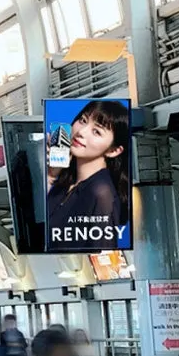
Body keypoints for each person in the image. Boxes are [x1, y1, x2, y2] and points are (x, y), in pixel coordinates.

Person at [45, 100, 132, 252]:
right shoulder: (66, 182)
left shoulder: (101, 192)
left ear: (113, 151)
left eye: (96, 131)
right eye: (82, 120)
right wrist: (51, 176)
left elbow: (102, 254)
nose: (81, 132)